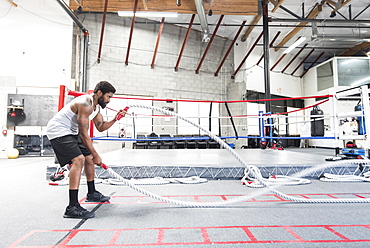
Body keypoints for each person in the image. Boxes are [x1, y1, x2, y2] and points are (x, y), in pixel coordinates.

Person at [46, 81, 126, 219]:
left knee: (88, 158)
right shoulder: (85, 104)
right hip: (58, 131)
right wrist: (97, 155)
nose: (108, 100)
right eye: (108, 97)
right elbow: (84, 134)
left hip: (71, 132)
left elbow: (100, 127)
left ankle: (92, 193)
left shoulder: (96, 108)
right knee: (79, 160)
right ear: (99, 93)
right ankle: (72, 207)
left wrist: (115, 119)